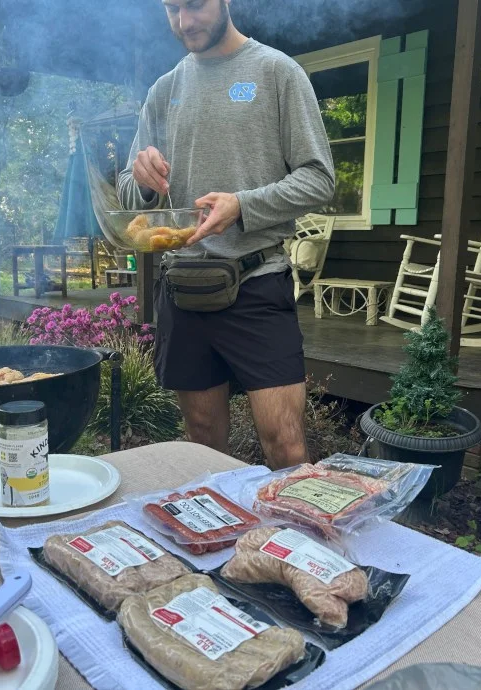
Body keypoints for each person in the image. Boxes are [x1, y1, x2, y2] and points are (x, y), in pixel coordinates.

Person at [117, 0, 335, 469]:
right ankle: (221, 541)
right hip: (181, 289)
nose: (185, 22)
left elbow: (320, 179)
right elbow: (129, 194)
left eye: (195, 5)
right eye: (172, 9)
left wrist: (243, 205)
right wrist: (141, 180)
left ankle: (289, 542)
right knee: (201, 445)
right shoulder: (164, 90)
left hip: (257, 281)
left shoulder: (277, 71)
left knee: (285, 444)